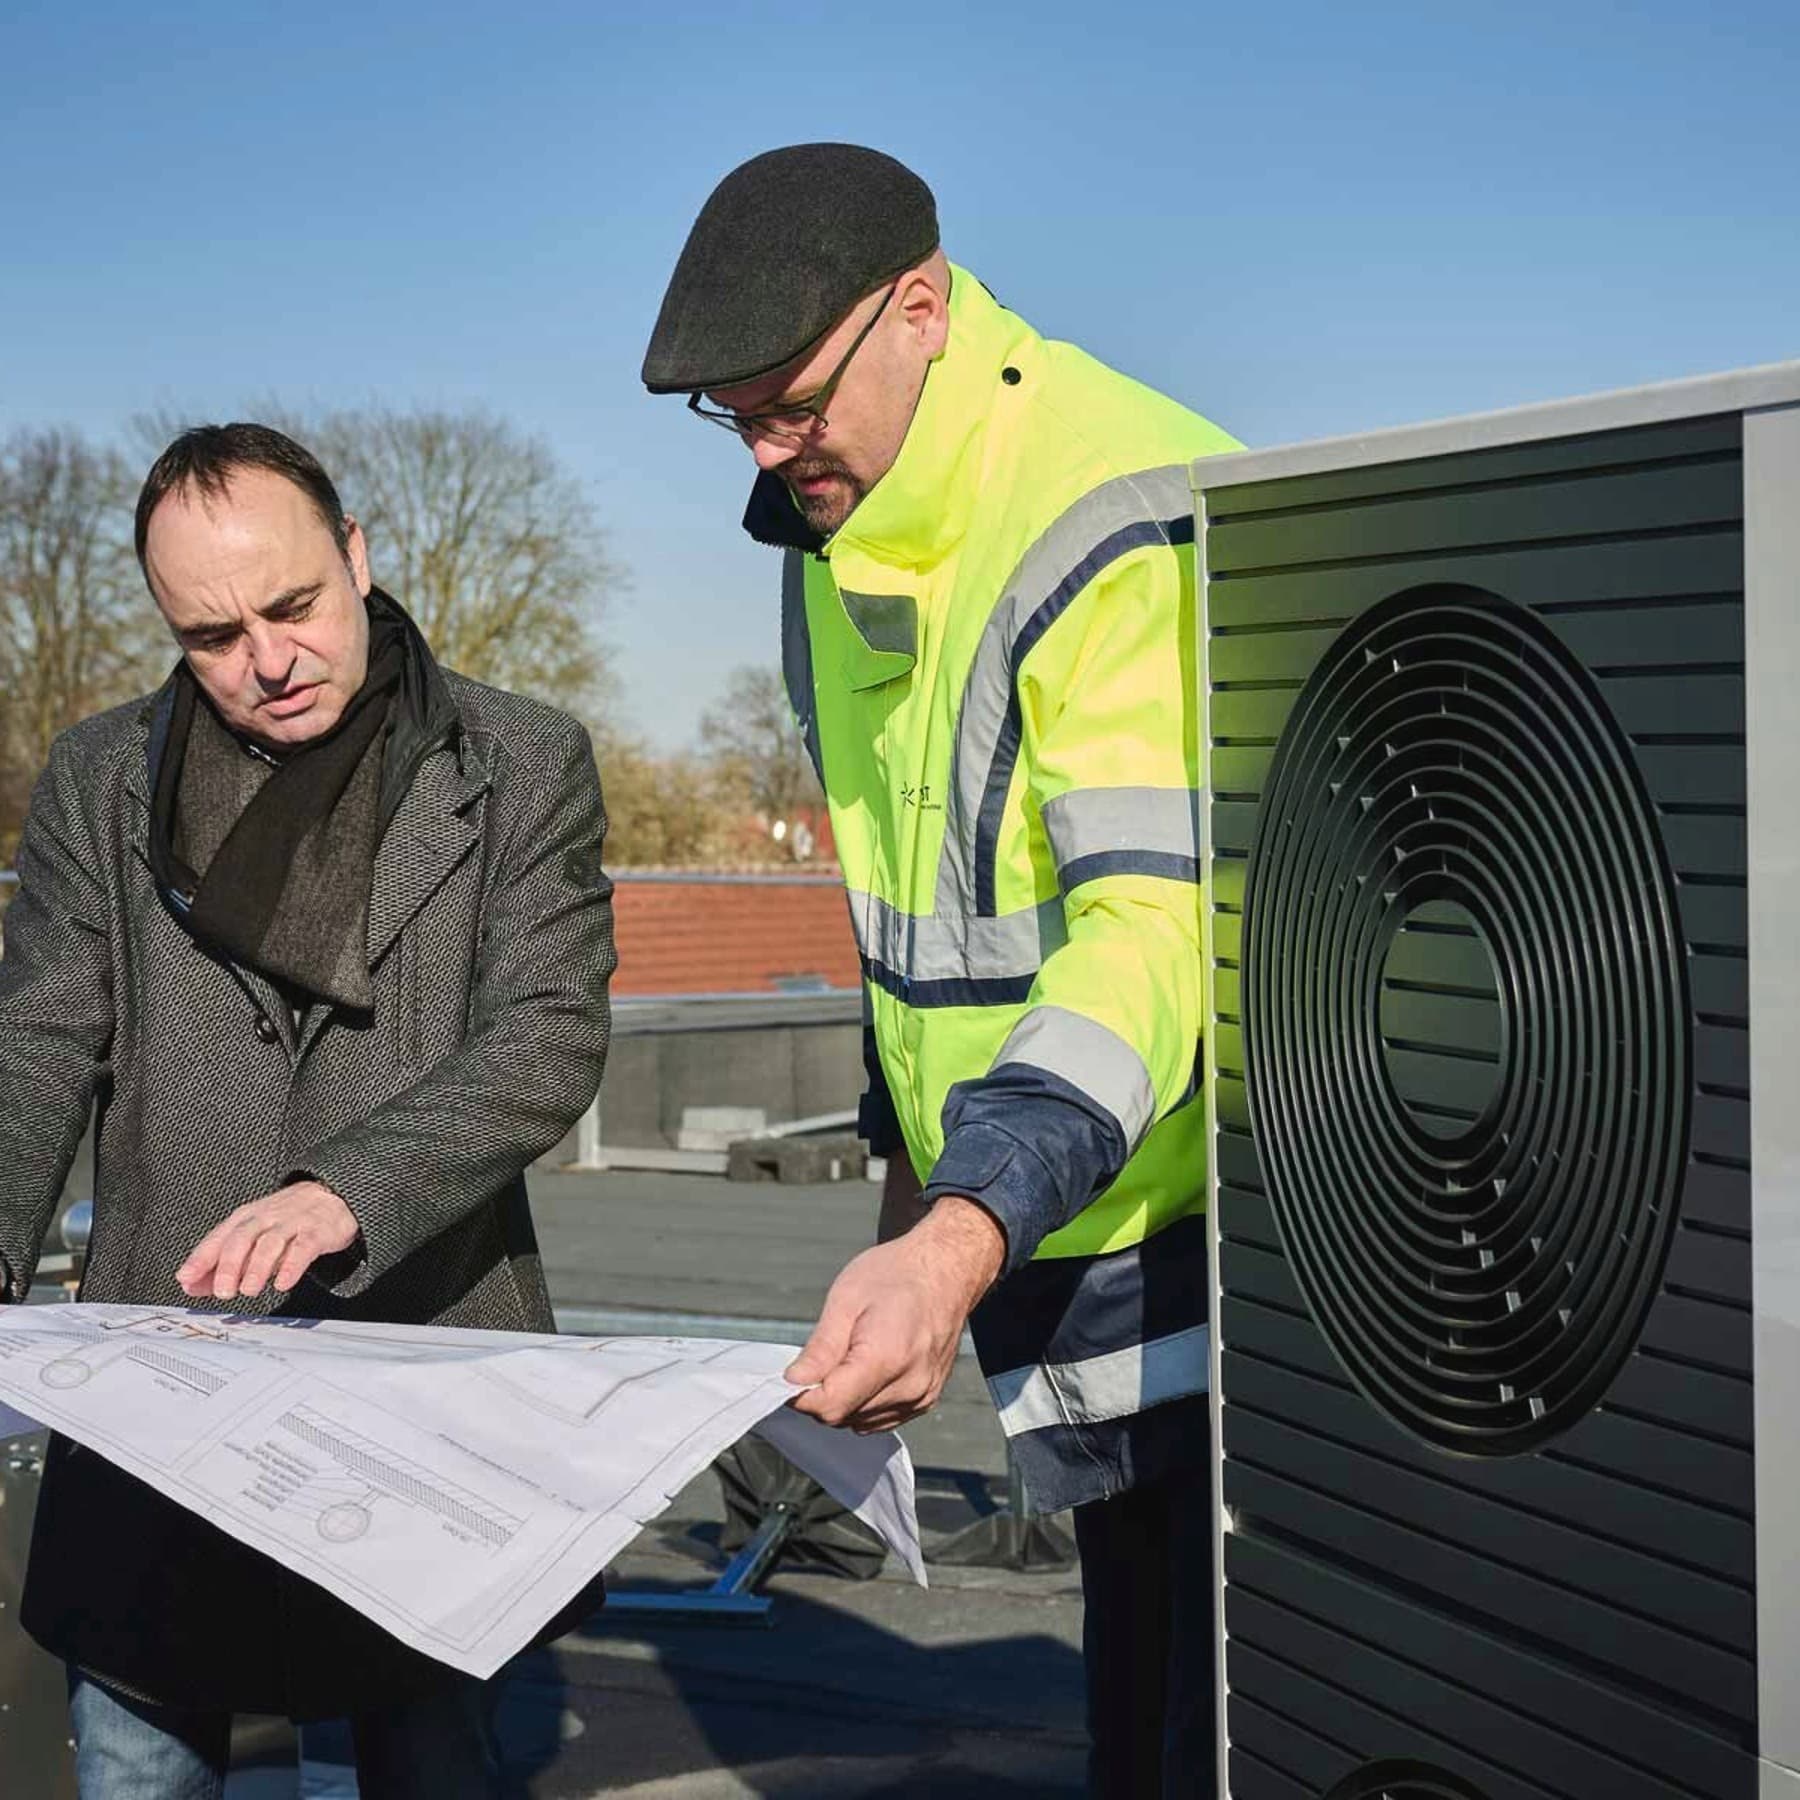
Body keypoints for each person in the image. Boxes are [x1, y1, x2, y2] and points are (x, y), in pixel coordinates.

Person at [642, 144, 1238, 1797]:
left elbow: (1155, 941)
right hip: (1031, 1213)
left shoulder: (1112, 505)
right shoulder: (828, 537)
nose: (767, 453)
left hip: (1205, 1246)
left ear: (921, 306)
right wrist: (920, 1211)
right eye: (731, 416)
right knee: (1135, 1712)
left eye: (790, 400)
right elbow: (912, 913)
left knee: (1223, 1718)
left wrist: (959, 1232)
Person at [0, 423, 616, 1798]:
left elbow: (548, 1031)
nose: (266, 661)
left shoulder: (523, 760)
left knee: (430, 1762)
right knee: (139, 1768)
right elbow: (36, 1047)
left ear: (357, 555)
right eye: (212, 635)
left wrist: (350, 1187)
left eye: (291, 607)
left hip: (423, 1346)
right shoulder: (100, 780)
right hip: (166, 1377)